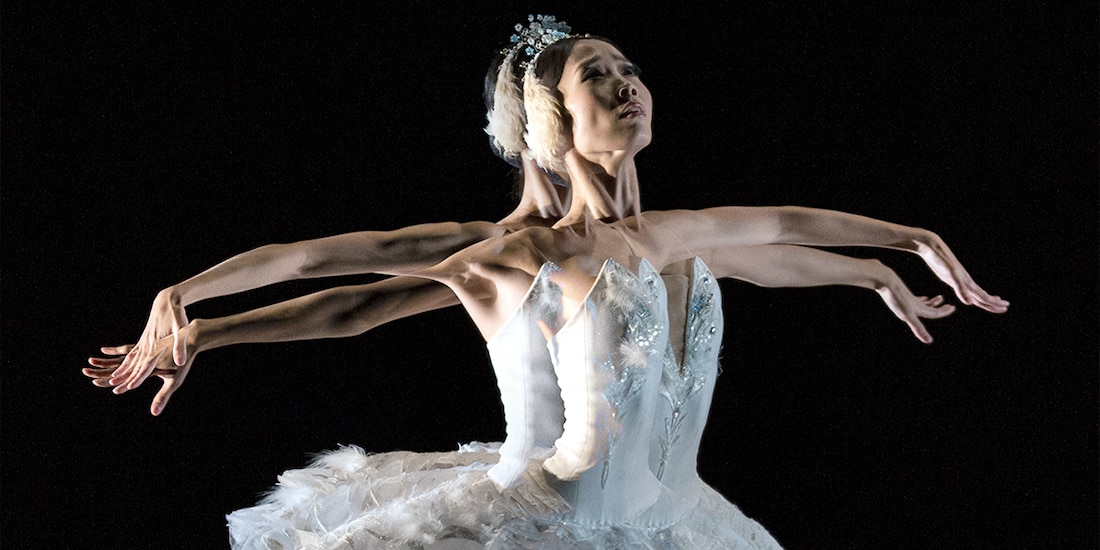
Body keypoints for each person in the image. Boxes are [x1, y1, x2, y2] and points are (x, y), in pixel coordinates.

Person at [86, 16, 1007, 549]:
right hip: (548, 524)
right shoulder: (519, 253)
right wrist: (193, 303)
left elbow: (782, 230)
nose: (625, 86)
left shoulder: (675, 237)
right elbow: (345, 282)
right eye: (595, 78)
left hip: (681, 525)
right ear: (555, 118)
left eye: (629, 69)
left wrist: (891, 252)